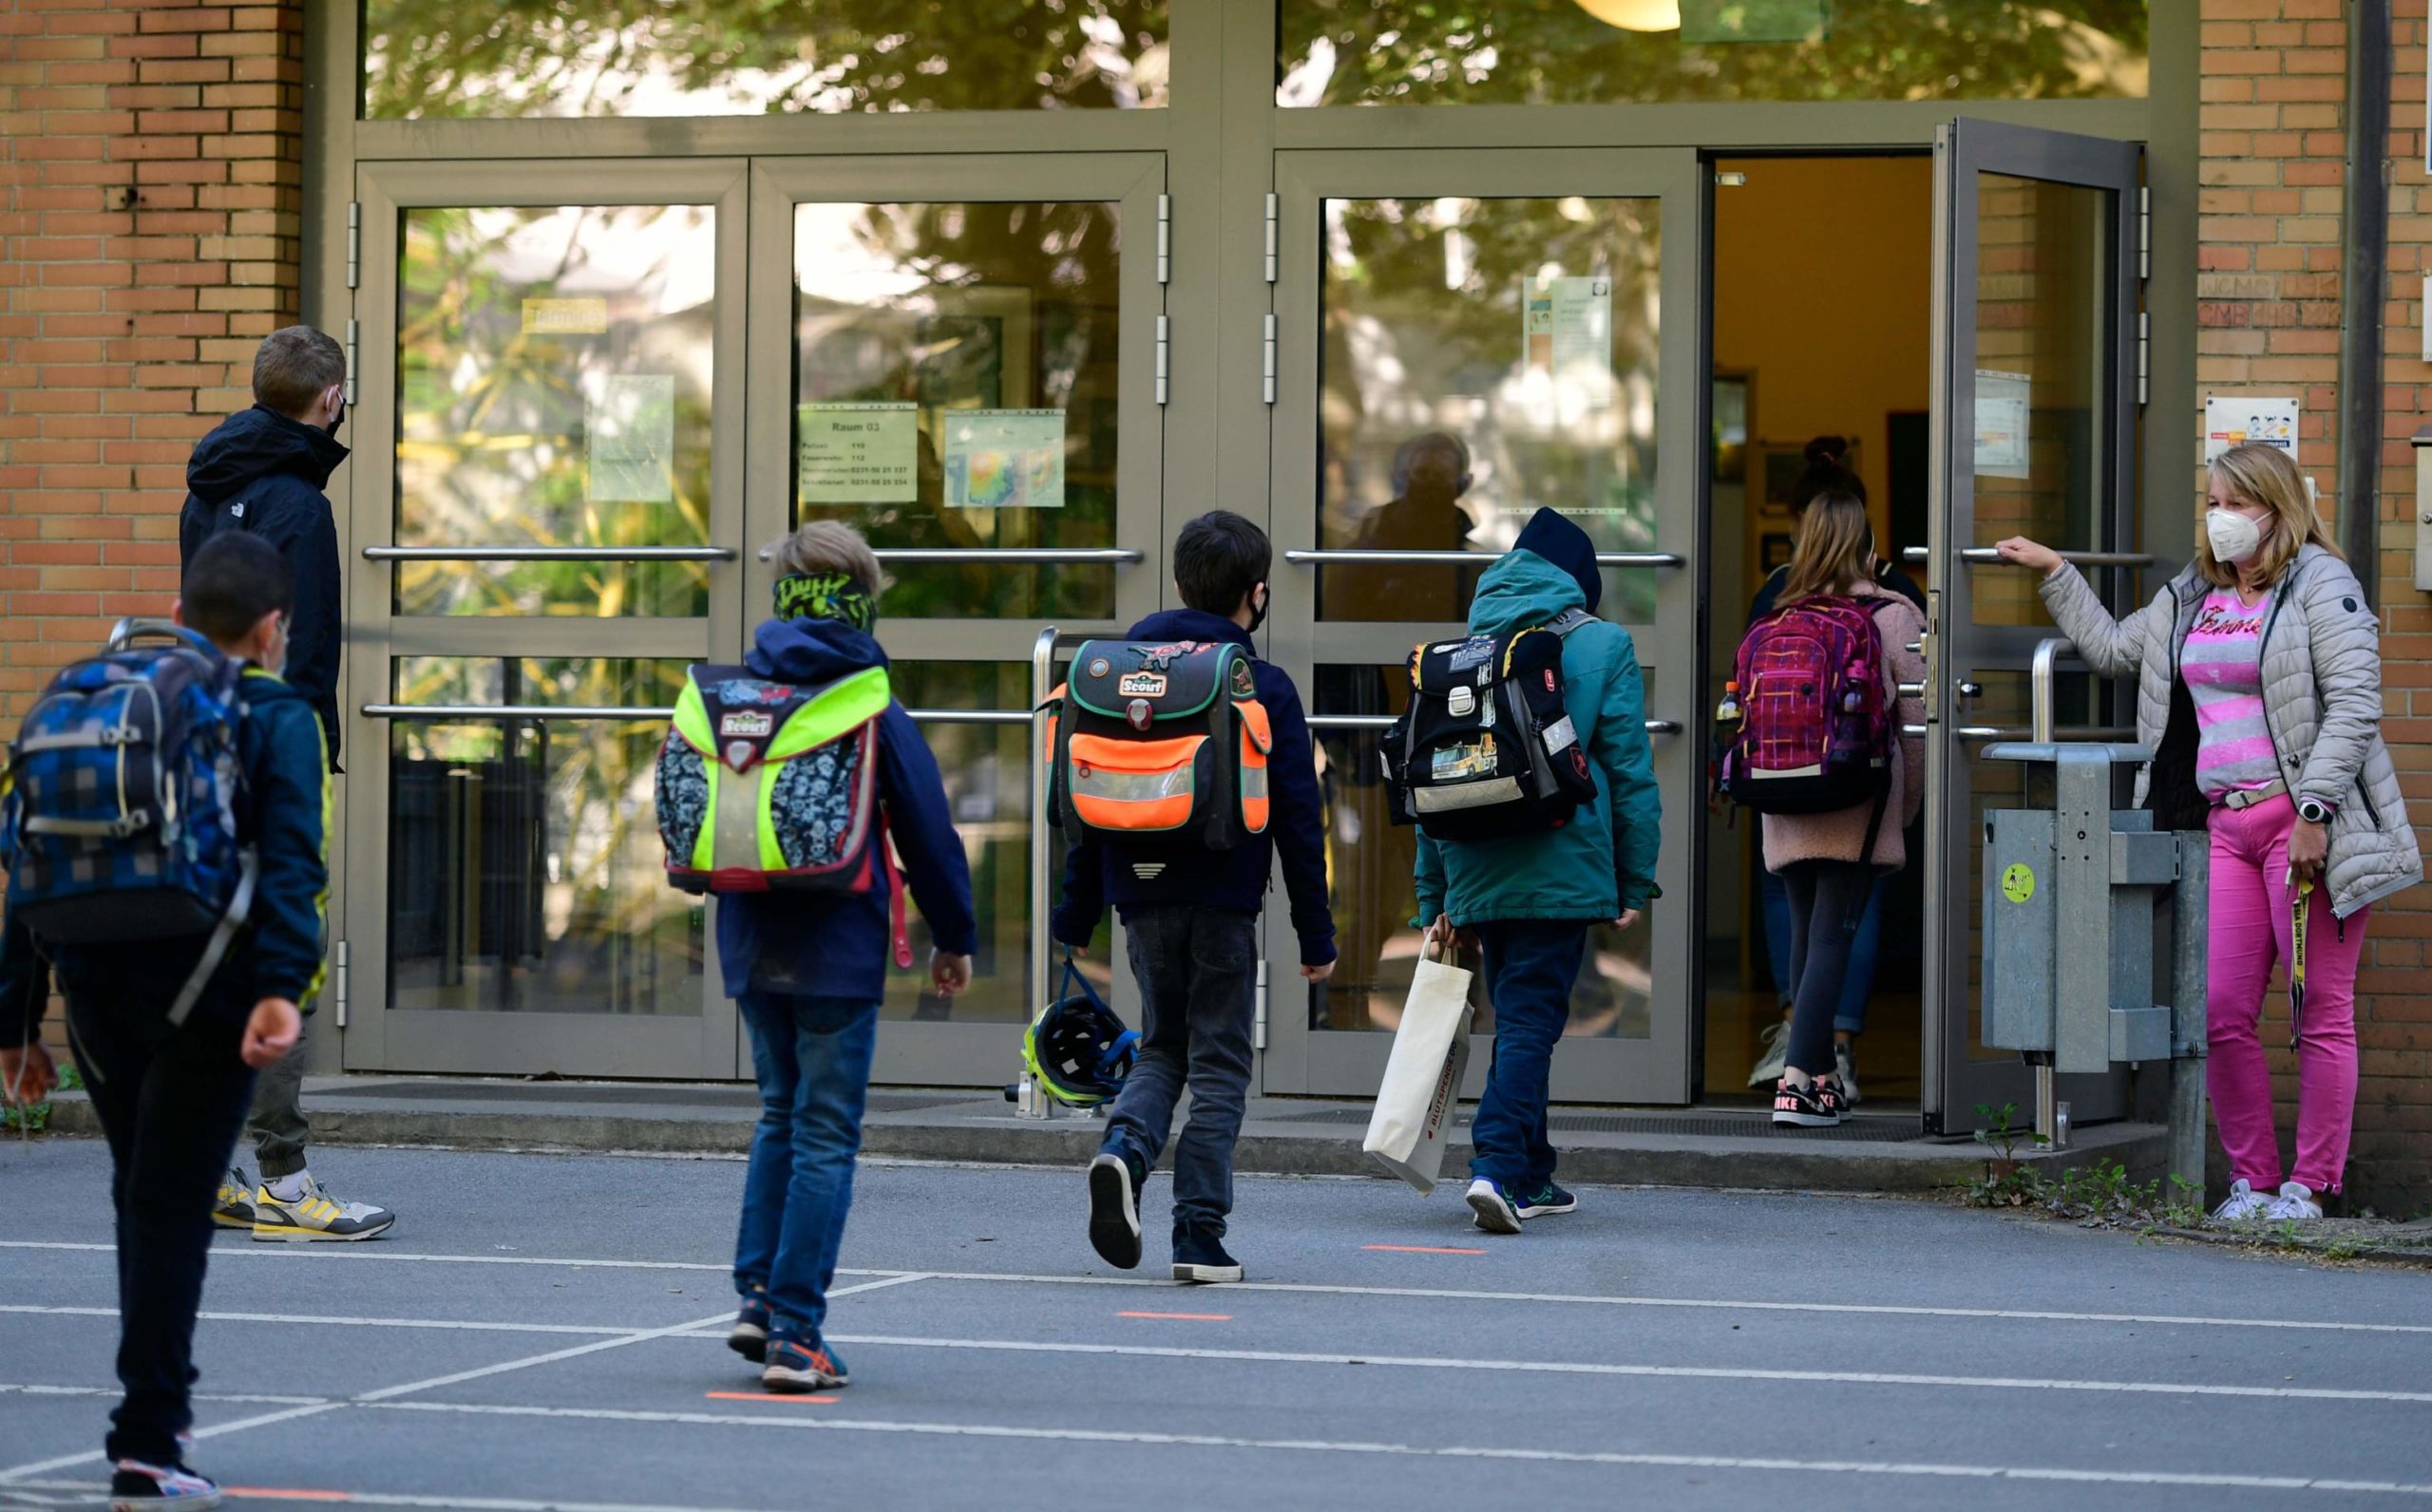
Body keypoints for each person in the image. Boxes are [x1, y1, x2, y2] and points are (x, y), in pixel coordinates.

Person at [1996, 443, 2421, 1220]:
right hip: (2226, 827)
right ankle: (2253, 1183)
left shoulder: (2322, 584)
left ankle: (2313, 1186)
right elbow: (2118, 651)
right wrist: (2058, 574)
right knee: (2221, 1011)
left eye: (2234, 503)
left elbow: (2358, 704)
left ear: (2276, 508)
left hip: (2303, 824)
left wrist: (2315, 812)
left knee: (2318, 1008)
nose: (2219, 518)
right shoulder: (2195, 591)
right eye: (2213, 501)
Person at [0, 533, 331, 1509]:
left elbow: (22, 858)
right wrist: (283, 986)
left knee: (139, 1190)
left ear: (183, 618)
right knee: (174, 1206)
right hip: (214, 989)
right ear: (273, 628)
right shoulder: (278, 713)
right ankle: (148, 1437)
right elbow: (292, 861)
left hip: (95, 979)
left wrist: (16, 1019)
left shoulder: (97, 697)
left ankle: (152, 1421)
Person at [718, 521, 978, 1390]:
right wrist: (956, 937)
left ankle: (756, 1300)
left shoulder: (742, 697)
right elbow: (932, 838)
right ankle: (798, 1333)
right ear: (863, 601)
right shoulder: (869, 702)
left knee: (779, 1116)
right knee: (825, 1130)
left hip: (751, 940)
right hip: (838, 948)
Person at [1060, 510, 1336, 1284]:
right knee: (1217, 1064)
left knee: (1162, 1045)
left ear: (1179, 582)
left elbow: (1079, 804)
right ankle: (1198, 1238)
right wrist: (1316, 938)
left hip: (1136, 900)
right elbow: (1298, 821)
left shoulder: (1113, 677)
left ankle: (1123, 1150)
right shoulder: (1260, 684)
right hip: (1221, 901)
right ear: (1256, 595)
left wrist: (1072, 916)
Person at [180, 325, 392, 1242]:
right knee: (280, 951)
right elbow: (300, 650)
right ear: (332, 399)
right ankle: (285, 1178)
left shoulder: (210, 486)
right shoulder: (300, 505)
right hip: (273, 747)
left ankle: (207, 1164)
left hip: (200, 736)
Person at [1415, 506, 1660, 1234]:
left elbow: (1430, 782)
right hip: (1561, 862)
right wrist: (1633, 877)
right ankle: (1495, 1168)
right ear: (1580, 584)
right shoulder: (1604, 645)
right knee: (1530, 1019)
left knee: (1521, 1010)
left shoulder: (1464, 652)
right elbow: (1630, 773)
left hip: (1476, 864)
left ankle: (1535, 1171)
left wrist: (1437, 891)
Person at [1744, 438, 1918, 1099]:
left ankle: (1809, 1064)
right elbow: (1919, 728)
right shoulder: (1894, 605)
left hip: (1781, 792)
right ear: (1867, 533)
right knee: (1840, 926)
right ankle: (1807, 1075)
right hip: (1858, 795)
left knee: (1800, 926)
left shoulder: (1777, 603)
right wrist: (1904, 810)